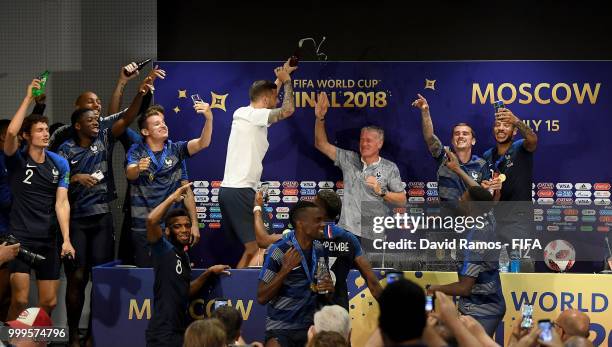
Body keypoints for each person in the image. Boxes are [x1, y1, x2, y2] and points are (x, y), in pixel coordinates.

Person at [57, 72, 158, 347]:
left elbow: (125, 117)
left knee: (100, 277)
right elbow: (58, 188)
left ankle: (93, 335)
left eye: (97, 120)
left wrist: (139, 91)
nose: (96, 123)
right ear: (78, 125)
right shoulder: (64, 150)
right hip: (77, 220)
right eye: (90, 120)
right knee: (77, 278)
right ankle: (73, 336)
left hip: (102, 218)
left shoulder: (104, 137)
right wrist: (75, 178)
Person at [4, 79, 73, 320]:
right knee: (21, 299)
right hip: (20, 238)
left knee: (49, 302)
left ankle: (35, 341)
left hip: (49, 239)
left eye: (47, 129)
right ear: (27, 136)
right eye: (40, 130)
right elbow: (11, 132)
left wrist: (66, 239)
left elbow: (62, 202)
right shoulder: (17, 161)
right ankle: (12, 340)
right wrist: (28, 98)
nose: (46, 134)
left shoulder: (59, 163)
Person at [220, 61, 296, 268]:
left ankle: (241, 293)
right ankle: (241, 295)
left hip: (237, 190)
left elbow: (267, 100)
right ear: (265, 99)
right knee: (257, 248)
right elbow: (287, 110)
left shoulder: (244, 113)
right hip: (239, 190)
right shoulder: (255, 116)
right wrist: (288, 82)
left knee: (255, 247)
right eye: (274, 97)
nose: (277, 99)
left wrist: (278, 81)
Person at [253, 189, 383, 310]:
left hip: (313, 314)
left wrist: (258, 207)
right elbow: (373, 284)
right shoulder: (350, 240)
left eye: (314, 205)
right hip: (339, 312)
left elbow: (262, 240)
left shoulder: (304, 234)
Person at [313, 92, 406, 245]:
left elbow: (402, 200)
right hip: (346, 233)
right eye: (362, 140)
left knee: (371, 270)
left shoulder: (390, 168)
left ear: (379, 144)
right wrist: (320, 118)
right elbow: (320, 144)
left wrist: (381, 191)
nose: (364, 144)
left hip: (373, 236)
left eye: (369, 141)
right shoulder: (348, 159)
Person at [126, 101, 211, 267]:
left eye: (163, 122)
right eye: (157, 124)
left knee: (174, 275)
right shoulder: (136, 151)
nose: (163, 125)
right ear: (145, 131)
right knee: (147, 277)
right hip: (144, 227)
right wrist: (137, 167)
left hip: (173, 228)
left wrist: (209, 119)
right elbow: (130, 173)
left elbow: (203, 143)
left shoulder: (176, 150)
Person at [145, 183, 230, 347]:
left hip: (179, 329)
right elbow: (151, 221)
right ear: (168, 231)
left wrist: (208, 273)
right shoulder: (163, 249)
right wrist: (172, 198)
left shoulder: (183, 255)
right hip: (162, 331)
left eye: (187, 225)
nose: (184, 229)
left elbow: (186, 291)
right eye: (177, 226)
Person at [426, 182, 506, 336]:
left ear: (471, 206)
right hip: (483, 305)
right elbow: (488, 203)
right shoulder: (487, 219)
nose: (459, 201)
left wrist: (434, 288)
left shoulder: (475, 236)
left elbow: (464, 287)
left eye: (462, 199)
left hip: (482, 310)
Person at [257, 201, 333, 347]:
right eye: (317, 220)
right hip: (280, 328)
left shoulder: (319, 249)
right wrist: (285, 270)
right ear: (300, 224)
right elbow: (261, 296)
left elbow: (324, 293)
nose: (323, 224)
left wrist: (328, 289)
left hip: (310, 327)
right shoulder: (278, 250)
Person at [482, 106, 538, 271]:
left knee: (518, 267)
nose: (501, 128)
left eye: (506, 125)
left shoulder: (521, 147)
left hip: (518, 220)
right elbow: (487, 193)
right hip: (494, 220)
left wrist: (516, 121)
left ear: (514, 131)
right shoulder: (487, 155)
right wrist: (488, 188)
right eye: (498, 124)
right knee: (494, 268)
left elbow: (533, 139)